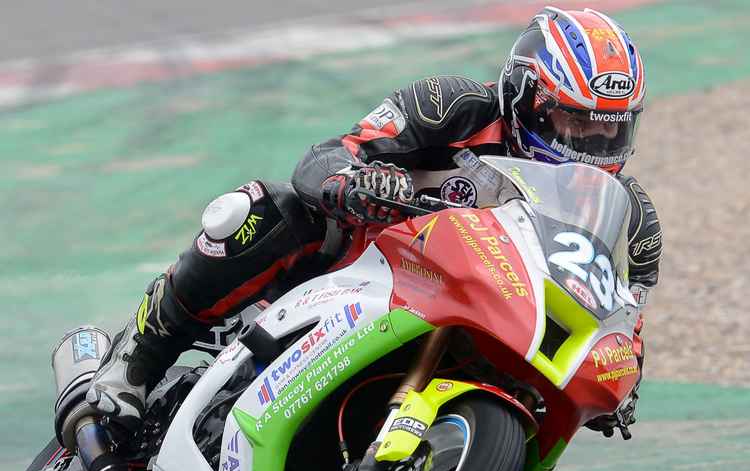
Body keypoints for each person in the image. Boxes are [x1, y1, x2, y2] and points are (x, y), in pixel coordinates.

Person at [86, 7, 661, 436]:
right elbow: (327, 156)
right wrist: (354, 182)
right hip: (368, 275)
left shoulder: (630, 218)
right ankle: (135, 361)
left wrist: (619, 369)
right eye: (572, 122)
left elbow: (625, 314)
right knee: (261, 210)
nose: (588, 144)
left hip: (494, 323)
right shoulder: (451, 105)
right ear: (524, 95)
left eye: (608, 130)